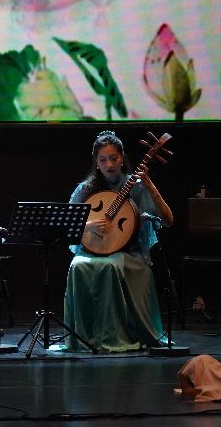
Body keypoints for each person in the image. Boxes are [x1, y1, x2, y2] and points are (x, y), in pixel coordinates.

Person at [58, 130, 174, 352]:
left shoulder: (136, 185)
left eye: (113, 158)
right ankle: (82, 338)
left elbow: (168, 220)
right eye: (103, 160)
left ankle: (113, 336)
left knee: (111, 266)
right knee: (77, 266)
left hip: (129, 254)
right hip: (92, 251)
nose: (109, 164)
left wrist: (149, 184)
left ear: (122, 158)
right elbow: (66, 225)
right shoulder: (85, 189)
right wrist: (88, 225)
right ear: (96, 162)